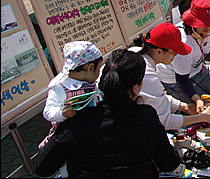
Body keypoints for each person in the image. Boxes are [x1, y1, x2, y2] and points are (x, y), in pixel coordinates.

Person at [35, 48, 182, 178]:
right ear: (136, 88)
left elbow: (42, 168)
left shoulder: (76, 119)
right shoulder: (147, 117)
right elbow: (168, 163)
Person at [131, 22, 210, 131]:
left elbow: (158, 97)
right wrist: (200, 118)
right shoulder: (149, 77)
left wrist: (185, 107)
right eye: (174, 52)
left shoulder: (136, 53)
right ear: (159, 51)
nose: (176, 55)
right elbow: (165, 122)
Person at [38, 41, 103, 177]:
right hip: (68, 135)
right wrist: (62, 113)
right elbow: (48, 112)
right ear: (90, 68)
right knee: (68, 164)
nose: (99, 72)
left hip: (88, 131)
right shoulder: (60, 87)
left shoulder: (90, 81)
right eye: (98, 68)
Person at [158, 0, 210, 108]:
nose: (208, 27)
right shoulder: (183, 42)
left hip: (198, 70)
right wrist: (197, 99)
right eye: (203, 23)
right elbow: (182, 81)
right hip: (174, 79)